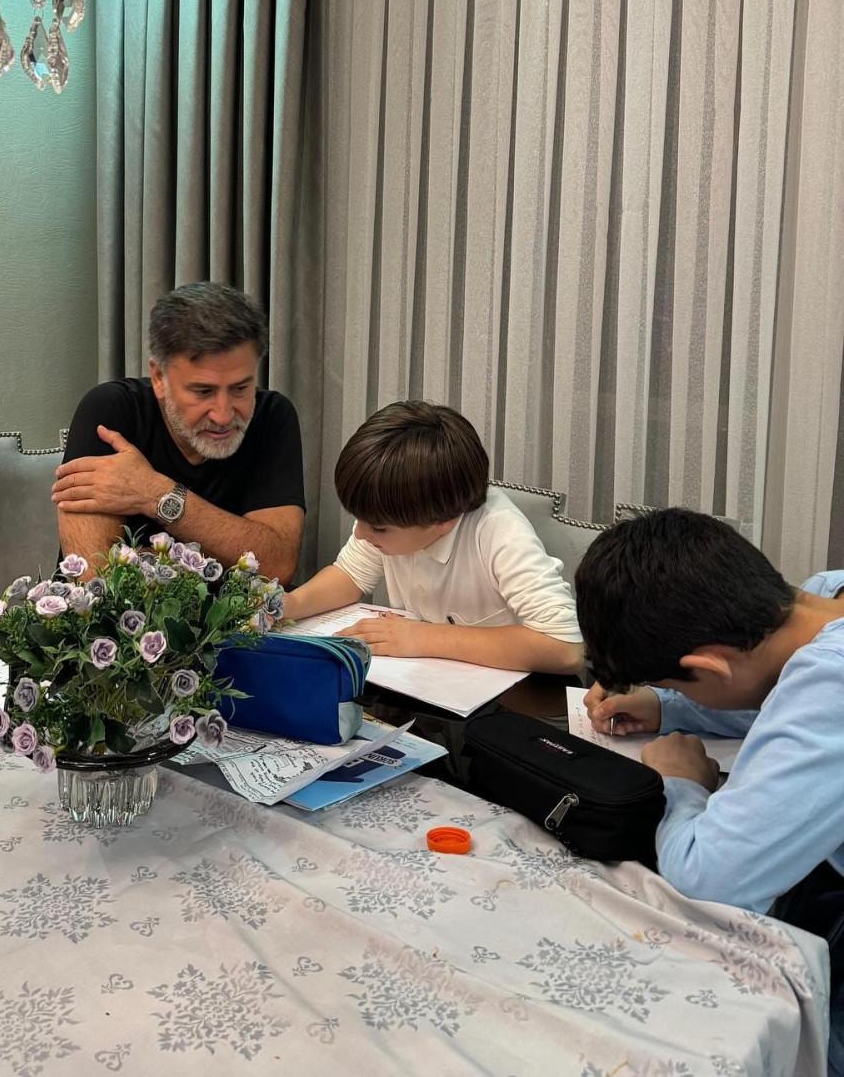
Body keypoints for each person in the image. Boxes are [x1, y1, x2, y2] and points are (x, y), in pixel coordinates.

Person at [575, 508, 844, 1073]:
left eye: (677, 680)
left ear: (709, 666)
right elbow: (780, 693)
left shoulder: (832, 680)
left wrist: (681, 783)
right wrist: (669, 704)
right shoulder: (822, 598)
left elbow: (711, 883)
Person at [282, 401, 583, 674]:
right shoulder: (398, 507)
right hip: (423, 683)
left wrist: (424, 637)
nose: (360, 533)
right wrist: (291, 604)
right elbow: (350, 575)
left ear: (442, 522)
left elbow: (566, 648)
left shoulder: (499, 531)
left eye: (378, 528)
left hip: (501, 699)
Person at [52, 283, 304, 585]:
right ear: (159, 377)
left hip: (243, 619)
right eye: (203, 391)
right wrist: (225, 556)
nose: (223, 415)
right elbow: (93, 578)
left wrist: (155, 493)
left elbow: (278, 566)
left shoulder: (272, 415)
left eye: (240, 388)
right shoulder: (111, 410)